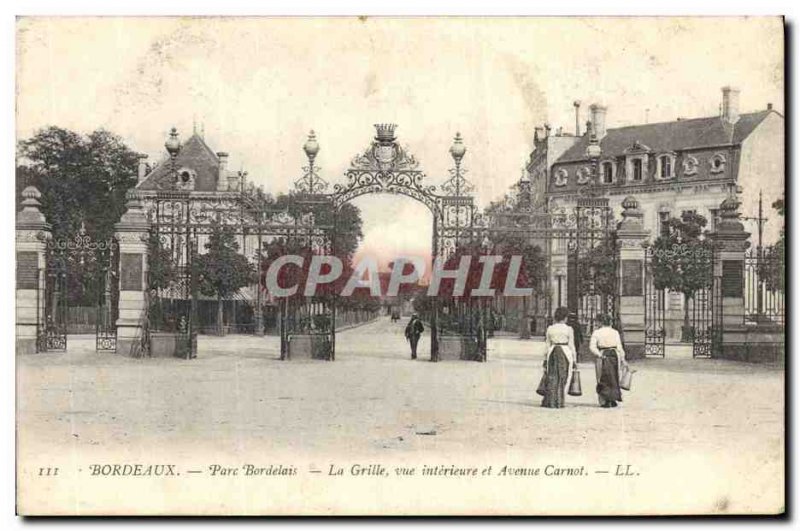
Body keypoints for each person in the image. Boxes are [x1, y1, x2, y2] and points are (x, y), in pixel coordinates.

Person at [589, 313, 628, 408]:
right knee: (614, 377)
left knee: (601, 377)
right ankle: (613, 399)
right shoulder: (615, 332)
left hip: (603, 354)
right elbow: (619, 346)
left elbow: (592, 347)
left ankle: (604, 400)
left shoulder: (596, 333)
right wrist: (623, 359)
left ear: (600, 322)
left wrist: (599, 354)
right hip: (614, 355)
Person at [541, 307, 576, 408]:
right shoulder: (569, 329)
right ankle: (560, 400)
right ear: (565, 317)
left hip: (552, 351)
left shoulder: (550, 328)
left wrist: (544, 358)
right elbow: (571, 345)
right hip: (565, 351)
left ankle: (551, 400)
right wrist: (574, 359)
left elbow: (547, 344)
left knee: (552, 376)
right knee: (563, 376)